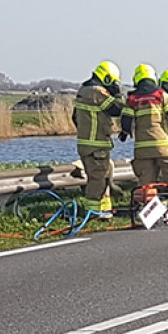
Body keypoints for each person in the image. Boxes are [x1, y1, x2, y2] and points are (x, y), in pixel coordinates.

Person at [121, 64, 168, 217]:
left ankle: (151, 214)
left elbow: (126, 120)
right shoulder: (161, 95)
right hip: (163, 146)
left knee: (146, 183)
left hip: (142, 149)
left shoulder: (132, 98)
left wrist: (124, 132)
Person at [73, 61, 124, 217]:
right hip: (97, 145)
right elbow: (117, 109)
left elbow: (75, 117)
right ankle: (93, 211)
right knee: (98, 179)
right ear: (107, 78)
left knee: (103, 175)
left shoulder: (83, 91)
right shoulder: (97, 92)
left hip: (85, 143)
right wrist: (117, 94)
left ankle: (104, 208)